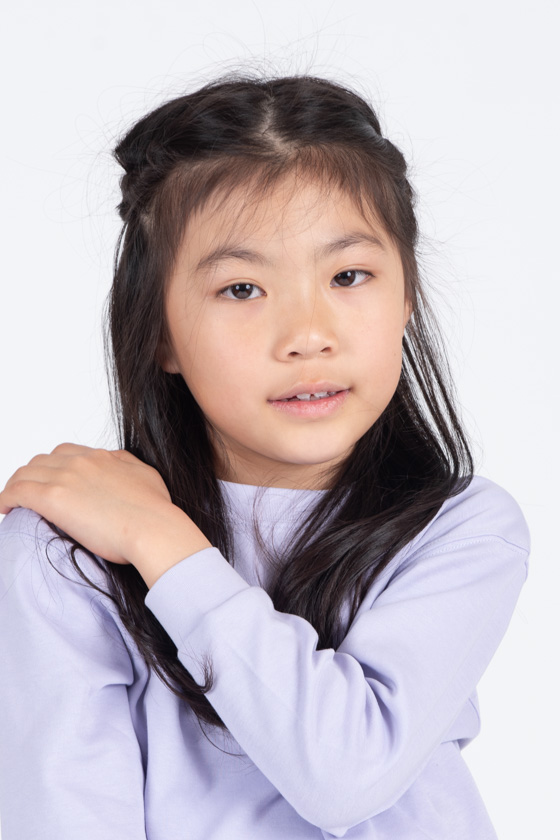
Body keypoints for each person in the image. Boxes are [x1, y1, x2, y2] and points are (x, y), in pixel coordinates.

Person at [0, 75, 529, 839]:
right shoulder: (63, 555)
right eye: (243, 289)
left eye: (349, 276)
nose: (308, 335)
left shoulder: (460, 531)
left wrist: (160, 542)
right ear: (159, 332)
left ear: (406, 298)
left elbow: (347, 773)